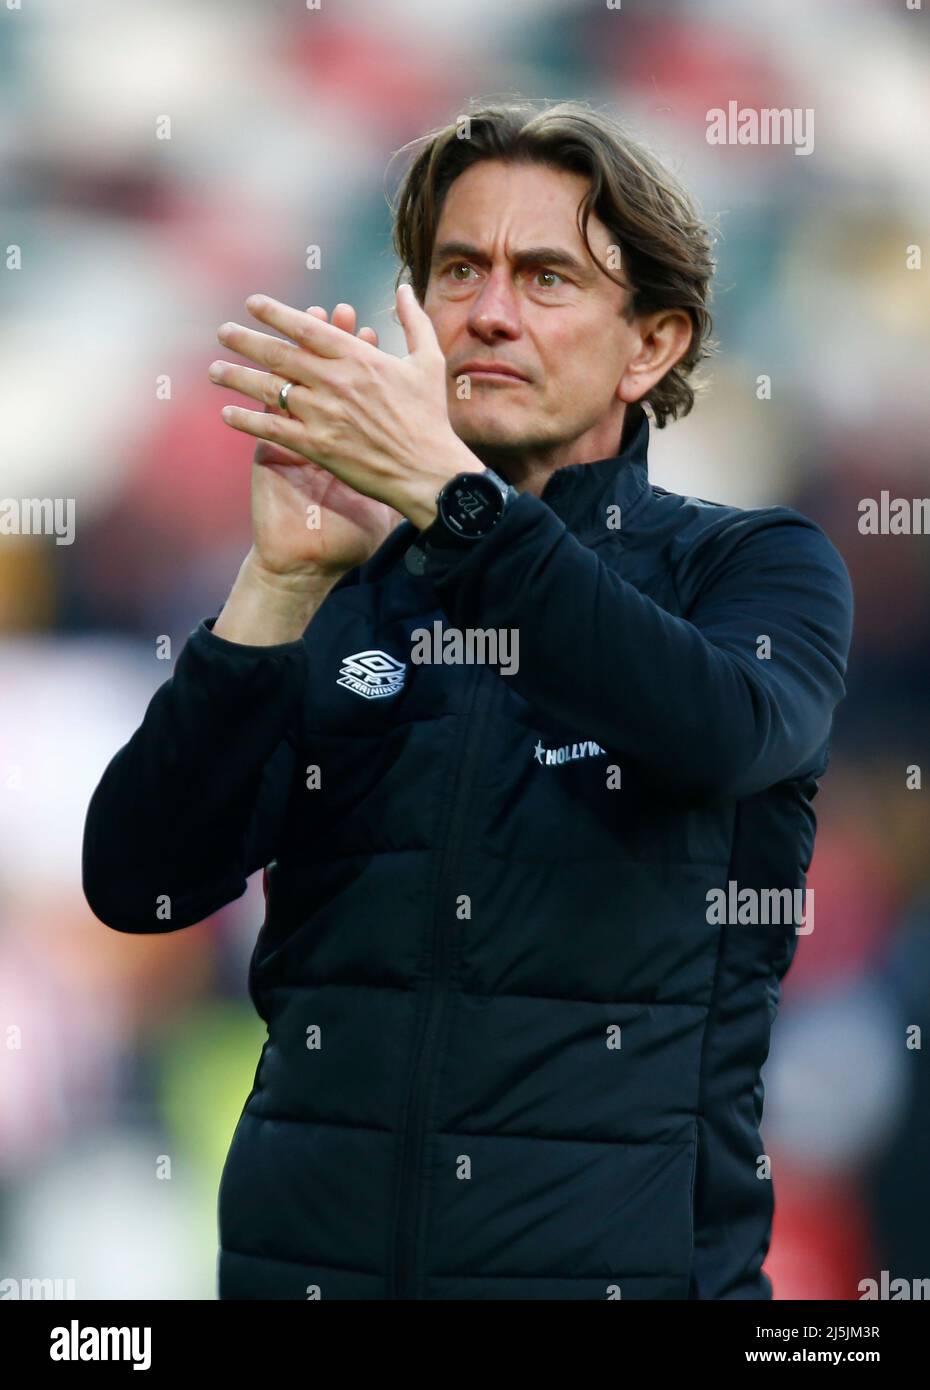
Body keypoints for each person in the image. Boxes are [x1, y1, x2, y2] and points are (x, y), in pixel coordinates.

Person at [82, 99, 854, 1300]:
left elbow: (716, 730)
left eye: (545, 277)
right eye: (458, 269)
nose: (488, 310)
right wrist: (277, 583)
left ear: (651, 345)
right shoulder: (347, 589)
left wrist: (456, 506)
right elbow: (143, 883)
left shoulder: (750, 565)